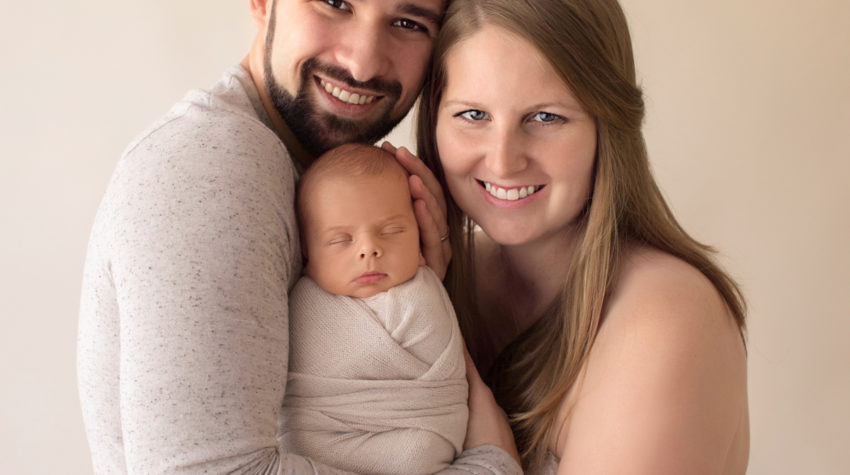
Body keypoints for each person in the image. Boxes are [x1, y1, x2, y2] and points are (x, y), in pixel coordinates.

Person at [77, 0, 520, 473]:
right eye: (334, 3)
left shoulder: (322, 178)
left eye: (408, 23)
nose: (363, 62)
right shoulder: (217, 164)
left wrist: (416, 292)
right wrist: (490, 466)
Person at [415, 0, 750, 473]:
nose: (504, 159)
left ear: (606, 123)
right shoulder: (437, 278)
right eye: (473, 115)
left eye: (546, 117)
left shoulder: (668, 316)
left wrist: (491, 454)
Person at [283, 143, 467, 474]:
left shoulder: (421, 297)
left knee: (417, 452)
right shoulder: (297, 301)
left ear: (421, 238)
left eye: (391, 232)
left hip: (416, 437)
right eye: (341, 240)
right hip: (313, 437)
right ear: (306, 252)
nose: (369, 249)